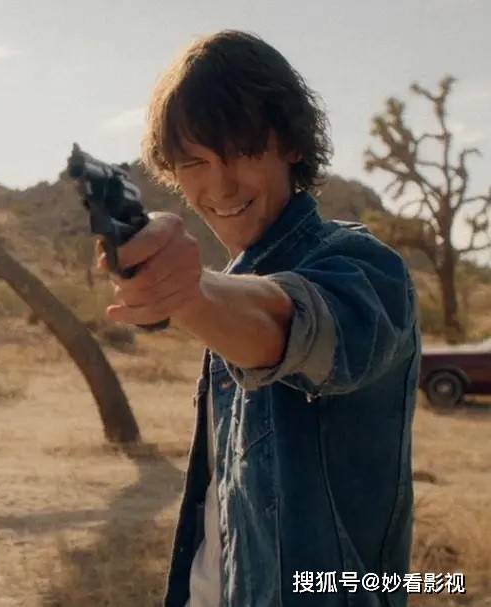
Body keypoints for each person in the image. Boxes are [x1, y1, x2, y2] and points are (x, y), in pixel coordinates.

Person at [99, 31, 419, 606]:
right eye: (195, 162)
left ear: (290, 143)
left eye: (243, 151)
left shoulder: (368, 269)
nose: (220, 185)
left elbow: (296, 328)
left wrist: (190, 290)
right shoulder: (230, 287)